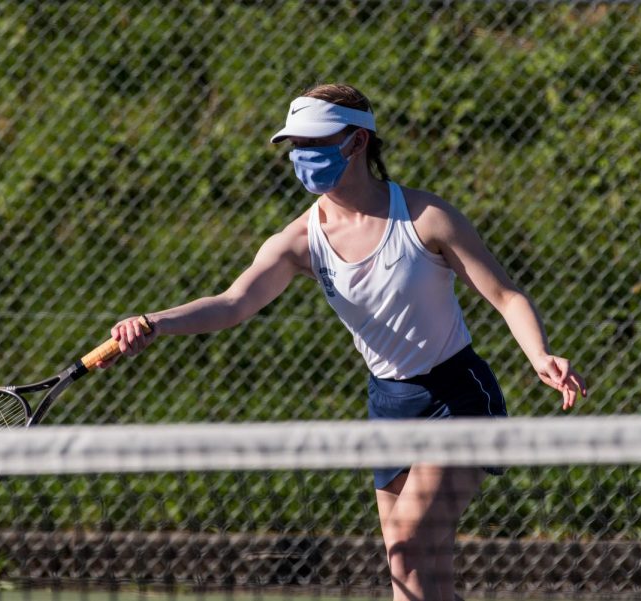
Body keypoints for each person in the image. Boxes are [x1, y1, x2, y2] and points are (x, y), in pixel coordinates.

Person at [98, 83, 587, 601]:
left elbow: (506, 295)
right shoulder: (298, 242)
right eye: (293, 145)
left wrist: (540, 354)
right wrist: (156, 321)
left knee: (405, 543)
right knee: (416, 587)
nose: (300, 156)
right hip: (389, 406)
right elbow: (235, 301)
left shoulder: (426, 218)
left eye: (313, 141)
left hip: (458, 397)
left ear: (355, 142)